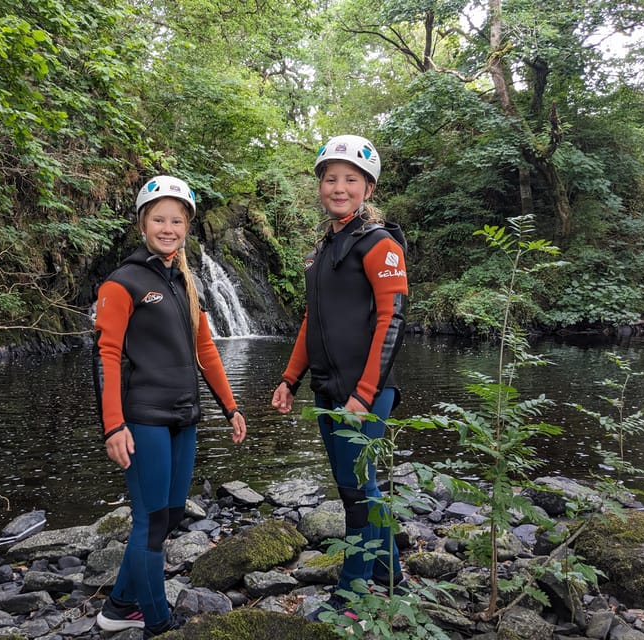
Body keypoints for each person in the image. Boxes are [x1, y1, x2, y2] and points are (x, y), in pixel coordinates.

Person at [92, 175, 247, 638]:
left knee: (172, 513)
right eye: (158, 218)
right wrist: (113, 425)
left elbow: (206, 350)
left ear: (187, 226)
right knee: (150, 522)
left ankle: (119, 605)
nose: (168, 227)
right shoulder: (123, 282)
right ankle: (159, 623)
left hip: (184, 416)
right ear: (143, 223)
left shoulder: (185, 280)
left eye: (176, 220)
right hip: (143, 418)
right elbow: (106, 357)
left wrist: (230, 407)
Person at [271, 135, 409, 617]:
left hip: (365, 390)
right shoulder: (322, 250)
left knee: (356, 494)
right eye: (331, 178)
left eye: (351, 179)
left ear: (367, 188)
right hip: (328, 387)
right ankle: (393, 576)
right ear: (320, 186)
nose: (339, 187)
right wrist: (289, 379)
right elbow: (313, 320)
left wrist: (365, 395)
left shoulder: (379, 243)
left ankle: (353, 592)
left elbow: (392, 320)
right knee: (360, 487)